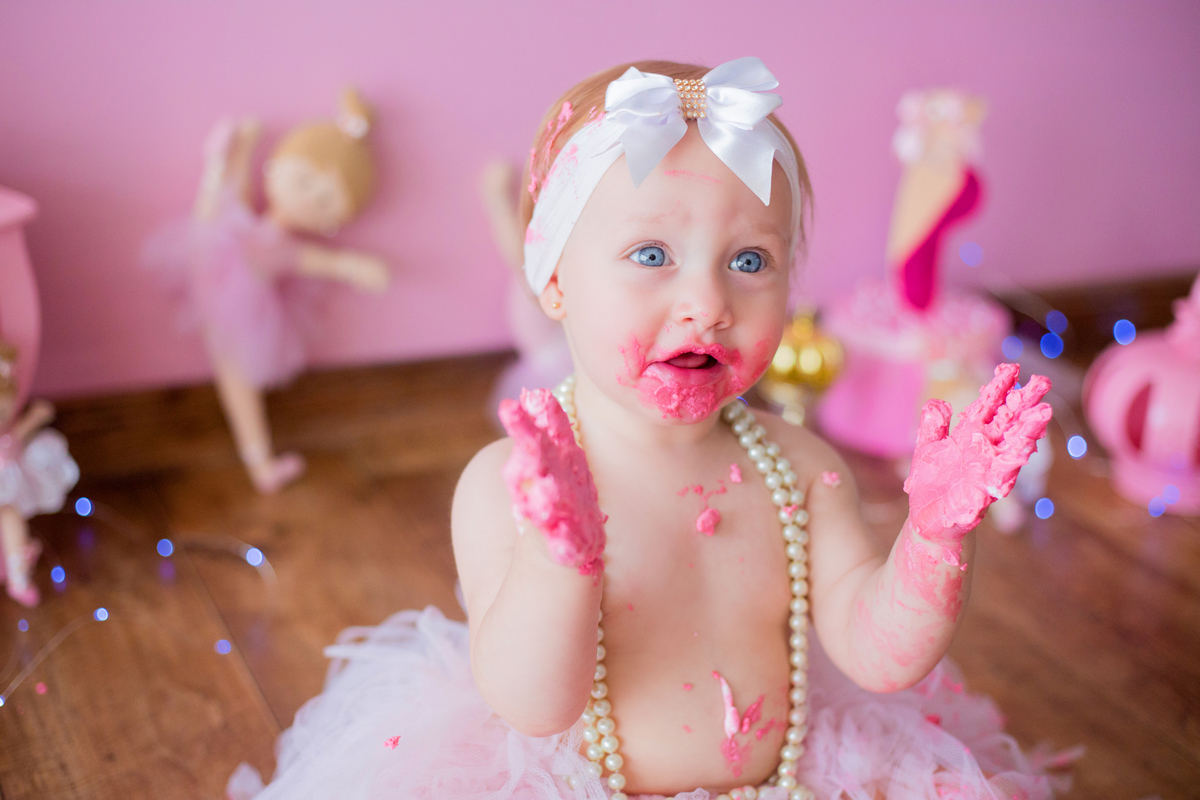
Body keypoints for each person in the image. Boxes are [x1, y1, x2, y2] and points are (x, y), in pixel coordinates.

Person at [229, 58, 1061, 800]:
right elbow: (531, 703)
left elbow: (880, 655)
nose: (708, 304)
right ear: (554, 279)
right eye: (652, 255)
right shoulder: (513, 485)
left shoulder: (804, 468)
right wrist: (563, 562)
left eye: (749, 261)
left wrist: (934, 537)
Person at [145, 90, 389, 494]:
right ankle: (215, 164)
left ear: (335, 220)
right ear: (278, 168)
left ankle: (260, 464)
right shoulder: (252, 221)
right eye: (307, 180)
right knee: (219, 216)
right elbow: (239, 201)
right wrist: (244, 153)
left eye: (326, 199)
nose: (311, 197)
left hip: (237, 310)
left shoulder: (286, 247)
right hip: (215, 267)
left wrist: (357, 267)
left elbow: (321, 261)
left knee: (238, 385)